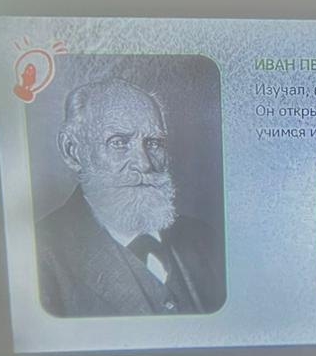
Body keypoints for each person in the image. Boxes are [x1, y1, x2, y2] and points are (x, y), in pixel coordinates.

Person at [35, 77, 225, 317]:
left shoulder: (204, 238)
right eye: (119, 142)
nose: (144, 164)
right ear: (72, 151)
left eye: (153, 143)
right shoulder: (39, 255)